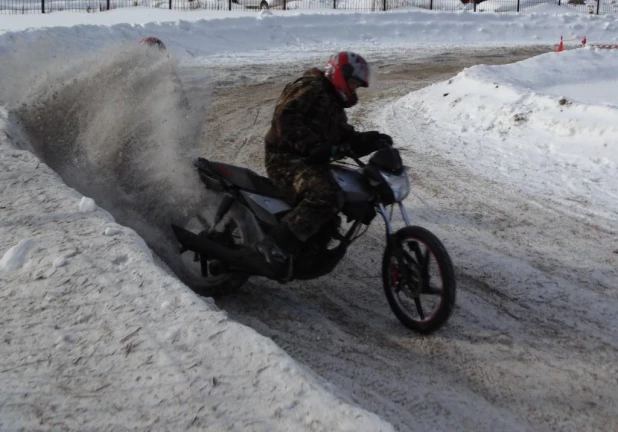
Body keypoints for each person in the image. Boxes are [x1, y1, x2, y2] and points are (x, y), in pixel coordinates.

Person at [257, 51, 393, 277]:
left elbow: (341, 138)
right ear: (339, 75)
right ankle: (275, 246)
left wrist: (369, 140)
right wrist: (313, 145)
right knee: (325, 196)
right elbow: (285, 118)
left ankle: (307, 252)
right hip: (284, 159)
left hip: (310, 160)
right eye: (353, 83)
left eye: (356, 86)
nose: (353, 89)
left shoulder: (333, 104)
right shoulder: (311, 87)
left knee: (342, 197)